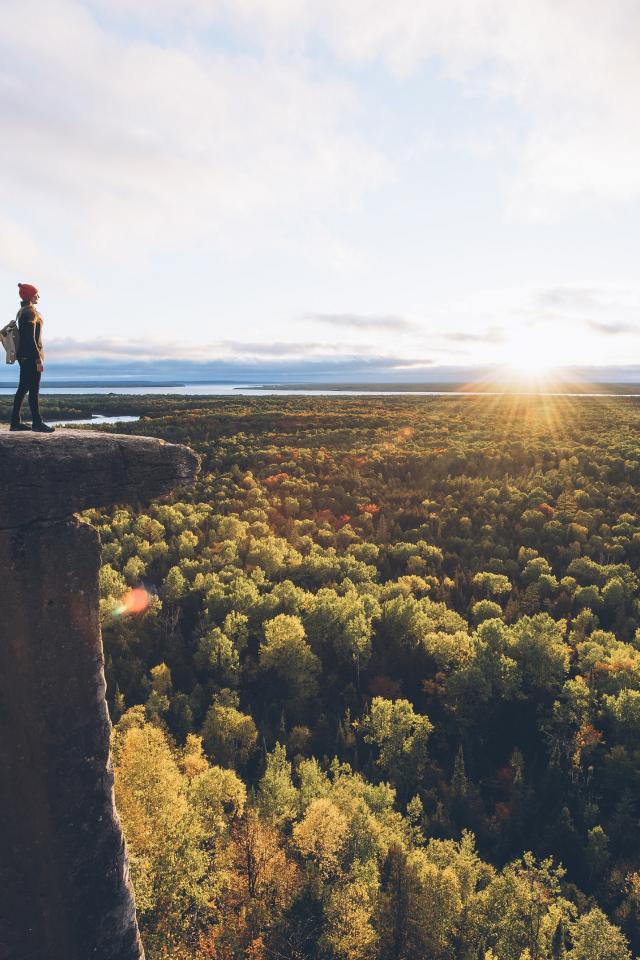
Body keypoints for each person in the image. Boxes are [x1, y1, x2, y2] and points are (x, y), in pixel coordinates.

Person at [10, 282, 55, 433]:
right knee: (33, 390)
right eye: (36, 294)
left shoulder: (22, 311)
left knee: (22, 389)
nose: (38, 296)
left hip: (24, 356)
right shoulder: (30, 312)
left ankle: (15, 423)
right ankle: (37, 423)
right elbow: (30, 338)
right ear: (30, 295)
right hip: (31, 357)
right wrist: (38, 358)